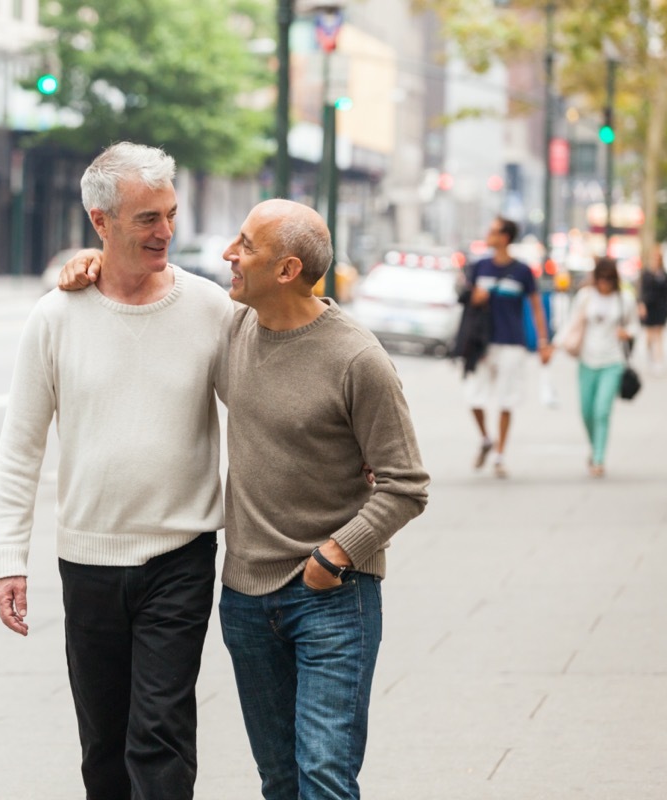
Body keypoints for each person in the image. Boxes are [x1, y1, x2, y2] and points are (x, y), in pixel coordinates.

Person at [55, 200, 430, 799]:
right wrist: (93, 261)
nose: (228, 253)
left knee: (325, 775)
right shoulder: (231, 329)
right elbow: (155, 292)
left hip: (332, 595)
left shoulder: (358, 359)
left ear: (285, 270)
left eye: (245, 245)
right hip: (248, 599)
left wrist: (337, 553)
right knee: (280, 779)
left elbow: (407, 483)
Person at [0, 142, 234, 800]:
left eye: (170, 215)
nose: (166, 232)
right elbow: (21, 445)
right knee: (103, 745)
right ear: (101, 223)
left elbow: (267, 403)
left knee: (159, 733)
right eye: (147, 219)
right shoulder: (56, 316)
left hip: (180, 551)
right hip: (88, 560)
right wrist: (9, 558)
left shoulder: (210, 310)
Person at [465, 216, 553, 478]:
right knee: (473, 396)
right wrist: (475, 298)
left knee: (506, 399)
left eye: (493, 231)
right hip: (481, 342)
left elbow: (536, 307)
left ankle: (500, 455)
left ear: (505, 237)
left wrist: (543, 341)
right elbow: (465, 299)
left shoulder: (523, 271)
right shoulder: (479, 266)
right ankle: (485, 439)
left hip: (511, 343)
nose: (488, 235)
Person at [561, 257, 640, 477]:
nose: (604, 283)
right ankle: (594, 446)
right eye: (600, 278)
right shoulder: (585, 297)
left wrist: (628, 333)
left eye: (608, 279)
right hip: (587, 359)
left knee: (602, 410)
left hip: (613, 360)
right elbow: (571, 324)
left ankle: (599, 458)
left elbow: (635, 325)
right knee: (586, 411)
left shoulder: (624, 298)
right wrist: (554, 345)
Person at [638, 249, 667, 375]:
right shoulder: (646, 274)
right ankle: (650, 355)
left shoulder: (664, 275)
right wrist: (641, 305)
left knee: (659, 335)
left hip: (660, 308)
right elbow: (641, 291)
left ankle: (658, 361)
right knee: (649, 336)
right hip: (649, 308)